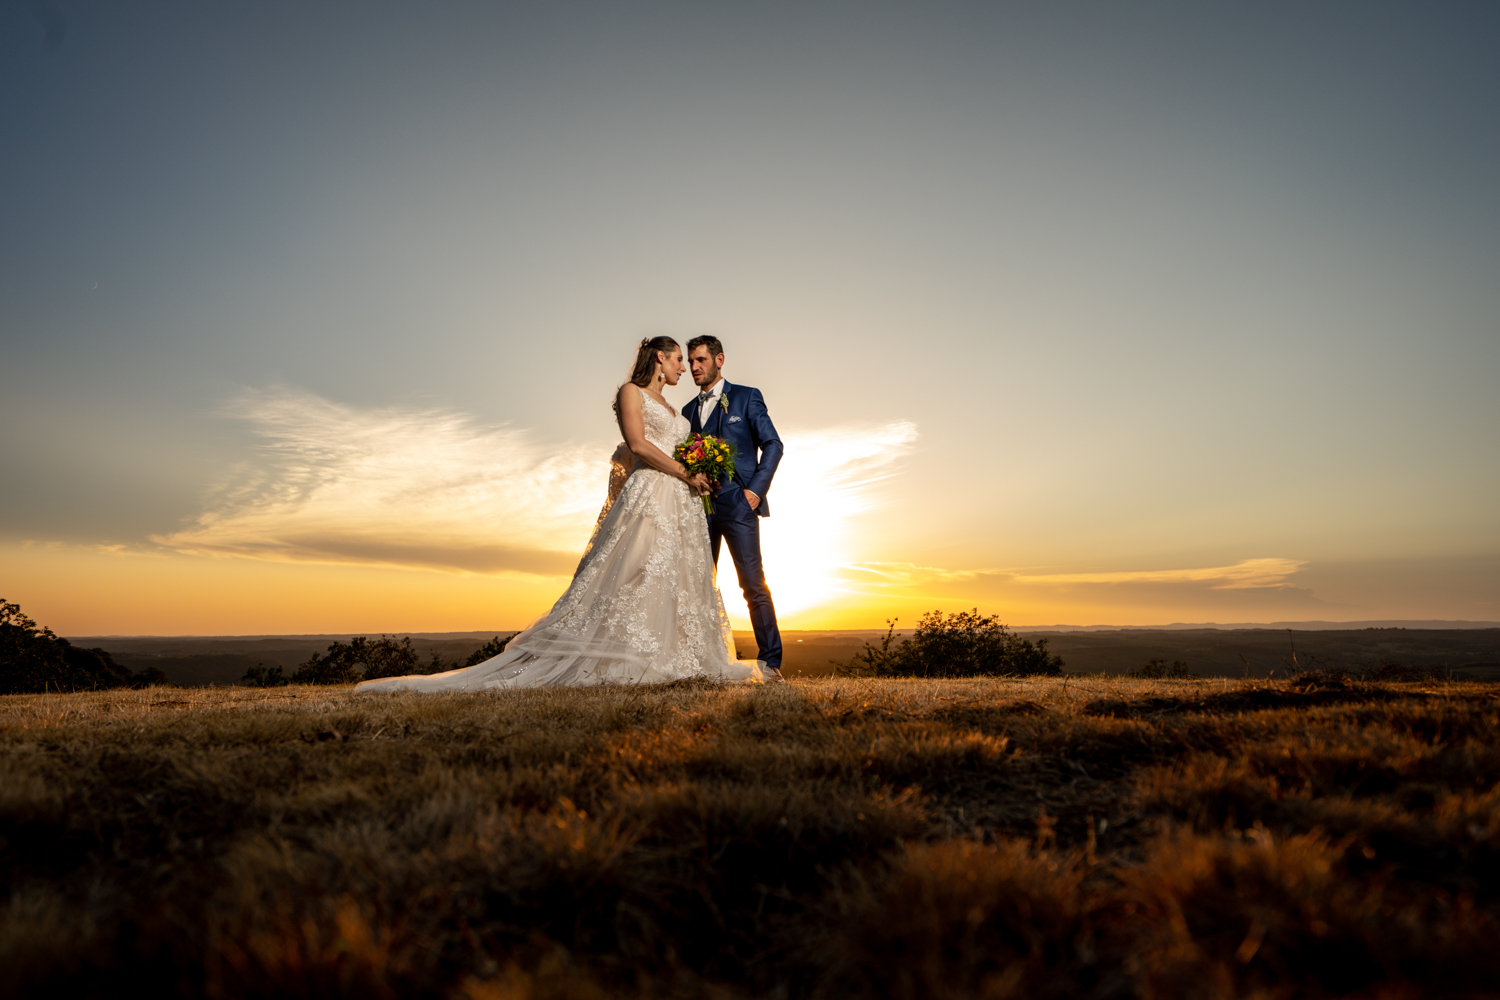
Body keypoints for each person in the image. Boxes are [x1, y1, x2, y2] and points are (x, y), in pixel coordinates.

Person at [356, 337, 762, 693]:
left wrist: (698, 471)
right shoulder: (630, 392)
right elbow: (637, 445)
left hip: (683, 503)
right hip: (652, 495)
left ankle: (678, 656)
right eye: (678, 361)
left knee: (674, 577)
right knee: (635, 570)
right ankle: (622, 657)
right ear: (660, 357)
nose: (684, 369)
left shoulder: (674, 409)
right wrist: (684, 471)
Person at [683, 335, 785, 681]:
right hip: (699, 507)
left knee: (752, 584)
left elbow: (773, 444)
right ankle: (701, 661)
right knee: (699, 584)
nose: (694, 367)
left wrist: (754, 492)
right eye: (691, 361)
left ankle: (770, 661)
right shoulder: (686, 412)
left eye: (701, 360)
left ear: (719, 360)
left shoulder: (746, 396)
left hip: (739, 503)